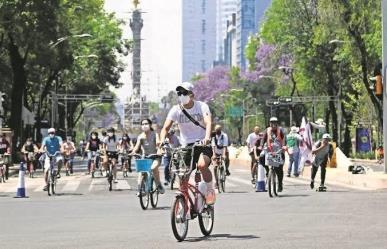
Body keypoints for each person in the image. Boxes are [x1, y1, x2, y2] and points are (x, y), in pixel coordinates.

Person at [159, 81, 215, 205]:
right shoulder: (176, 110)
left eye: (184, 93)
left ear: (191, 95)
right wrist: (162, 141)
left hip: (202, 144)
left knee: (201, 165)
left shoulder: (201, 106)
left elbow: (208, 122)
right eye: (179, 93)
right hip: (186, 146)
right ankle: (183, 201)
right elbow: (165, 128)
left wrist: (207, 138)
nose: (181, 95)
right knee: (182, 173)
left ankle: (210, 190)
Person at [132, 118, 165, 195]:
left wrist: (159, 150)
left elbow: (157, 143)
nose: (144, 126)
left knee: (153, 168)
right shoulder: (140, 137)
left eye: (146, 124)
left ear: (150, 125)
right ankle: (141, 189)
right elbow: (137, 147)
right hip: (145, 158)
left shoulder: (155, 134)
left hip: (155, 156)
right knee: (141, 171)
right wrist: (133, 152)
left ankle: (158, 184)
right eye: (143, 124)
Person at [263, 117, 286, 192]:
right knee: (261, 158)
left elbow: (284, 140)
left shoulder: (280, 131)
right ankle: (268, 172)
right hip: (270, 151)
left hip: (279, 151)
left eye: (275, 123)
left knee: (279, 169)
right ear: (269, 123)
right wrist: (261, 145)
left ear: (277, 124)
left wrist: (284, 146)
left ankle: (280, 184)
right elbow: (263, 139)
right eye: (271, 123)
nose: (273, 124)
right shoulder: (267, 130)